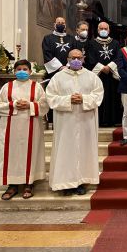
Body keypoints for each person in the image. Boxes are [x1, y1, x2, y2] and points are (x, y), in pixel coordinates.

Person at [46, 49, 104, 196]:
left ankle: (82, 182)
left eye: (79, 58)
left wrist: (84, 99)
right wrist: (68, 99)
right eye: (73, 58)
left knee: (84, 149)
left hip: (86, 120)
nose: (76, 60)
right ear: (68, 59)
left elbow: (98, 95)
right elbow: (50, 97)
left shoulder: (92, 77)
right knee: (66, 150)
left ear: (83, 59)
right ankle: (66, 183)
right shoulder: (58, 77)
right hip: (66, 121)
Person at [0, 60, 49, 200]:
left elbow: (44, 105)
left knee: (30, 152)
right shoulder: (7, 86)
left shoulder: (36, 87)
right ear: (14, 71)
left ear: (30, 72)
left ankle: (29, 184)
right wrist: (13, 105)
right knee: (11, 154)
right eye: (19, 69)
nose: (22, 71)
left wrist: (30, 105)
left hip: (32, 125)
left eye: (25, 69)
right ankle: (12, 185)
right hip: (11, 127)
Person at [85, 22, 122, 127]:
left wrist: (109, 67)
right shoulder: (91, 43)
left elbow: (118, 57)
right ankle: (101, 120)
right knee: (100, 96)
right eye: (101, 28)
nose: (103, 30)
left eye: (105, 28)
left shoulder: (115, 43)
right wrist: (102, 68)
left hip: (112, 75)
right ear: (97, 30)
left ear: (109, 30)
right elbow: (90, 58)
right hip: (99, 75)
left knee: (113, 96)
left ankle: (113, 120)